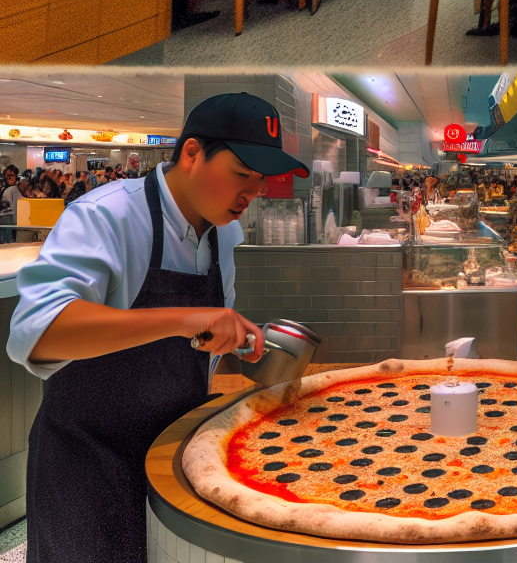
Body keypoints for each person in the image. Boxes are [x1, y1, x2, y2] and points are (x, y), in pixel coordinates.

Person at [8, 92, 307, 563]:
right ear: (192, 154)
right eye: (242, 174)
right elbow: (37, 331)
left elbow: (190, 342)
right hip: (89, 461)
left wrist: (230, 342)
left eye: (262, 180)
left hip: (174, 456)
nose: (254, 192)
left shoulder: (225, 232)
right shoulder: (106, 214)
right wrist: (185, 319)